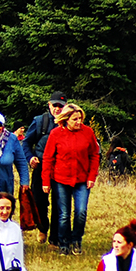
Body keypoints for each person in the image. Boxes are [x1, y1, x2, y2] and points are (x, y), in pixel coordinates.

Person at [41, 103, 100, 255]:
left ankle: (76, 240)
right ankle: (64, 243)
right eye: (75, 119)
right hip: (61, 179)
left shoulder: (88, 132)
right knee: (63, 214)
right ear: (66, 119)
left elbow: (94, 155)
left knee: (81, 211)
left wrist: (92, 176)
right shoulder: (56, 134)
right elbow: (48, 158)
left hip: (82, 179)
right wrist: (46, 181)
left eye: (80, 118)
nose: (78, 122)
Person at [23, 91, 68, 245]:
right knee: (38, 201)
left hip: (61, 169)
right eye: (55, 105)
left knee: (59, 204)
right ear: (49, 105)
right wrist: (30, 158)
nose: (57, 109)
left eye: (61, 106)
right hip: (41, 167)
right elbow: (26, 143)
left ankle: (54, 239)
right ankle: (42, 227)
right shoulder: (40, 121)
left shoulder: (69, 123)